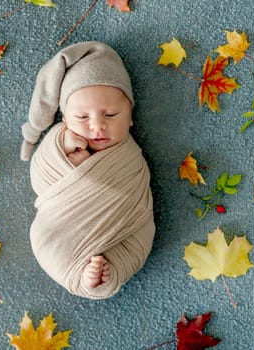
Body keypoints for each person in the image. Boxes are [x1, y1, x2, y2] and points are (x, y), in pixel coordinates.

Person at [20, 41, 155, 299]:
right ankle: (85, 277)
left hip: (121, 228)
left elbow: (136, 196)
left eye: (112, 115)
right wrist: (62, 153)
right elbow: (40, 176)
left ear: (130, 117)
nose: (98, 126)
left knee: (139, 240)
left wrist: (87, 175)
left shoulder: (130, 156)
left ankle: (107, 276)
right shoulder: (57, 144)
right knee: (44, 241)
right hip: (59, 230)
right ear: (65, 120)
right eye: (82, 118)